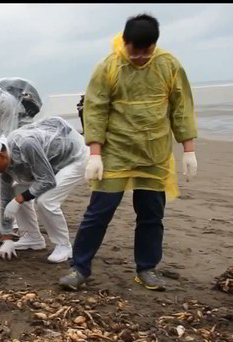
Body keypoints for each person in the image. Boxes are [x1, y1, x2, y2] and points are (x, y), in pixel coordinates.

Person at [58, 14, 198, 292]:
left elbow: (182, 107)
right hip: (116, 152)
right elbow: (95, 110)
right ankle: (80, 268)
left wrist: (188, 149)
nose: (140, 57)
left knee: (151, 215)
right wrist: (95, 153)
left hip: (154, 154)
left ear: (154, 46)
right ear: (125, 42)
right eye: (135, 50)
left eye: (146, 51)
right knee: (98, 213)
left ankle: (147, 268)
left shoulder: (169, 65)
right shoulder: (109, 67)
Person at [0, 117, 88, 263]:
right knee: (16, 191)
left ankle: (64, 246)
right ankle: (33, 238)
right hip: (51, 164)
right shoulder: (3, 167)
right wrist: (7, 238)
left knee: (46, 200)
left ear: (1, 156)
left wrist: (19, 200)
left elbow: (47, 180)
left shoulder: (25, 144)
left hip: (74, 157)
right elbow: (4, 199)